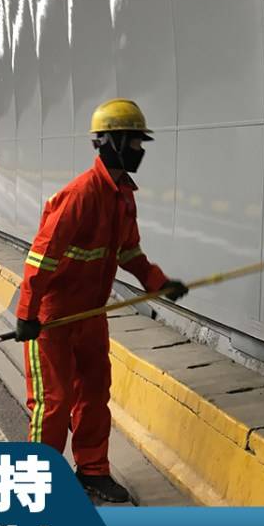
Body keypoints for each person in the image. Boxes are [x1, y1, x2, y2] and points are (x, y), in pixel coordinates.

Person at [14, 98, 188, 502]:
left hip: (92, 316)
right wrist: (27, 314)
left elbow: (129, 252)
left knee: (94, 394)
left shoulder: (123, 196)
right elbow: (41, 259)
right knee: (53, 403)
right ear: (112, 142)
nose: (140, 150)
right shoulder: (79, 195)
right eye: (134, 142)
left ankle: (92, 471)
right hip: (53, 319)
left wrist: (158, 282)